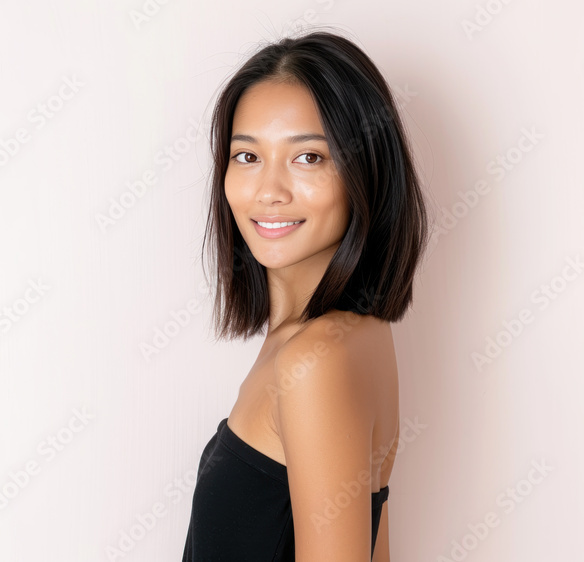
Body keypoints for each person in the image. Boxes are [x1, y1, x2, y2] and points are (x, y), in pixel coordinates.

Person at [183, 29, 430, 561]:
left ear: (366, 171)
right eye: (247, 156)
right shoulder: (351, 335)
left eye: (309, 158)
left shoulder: (314, 360)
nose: (269, 191)